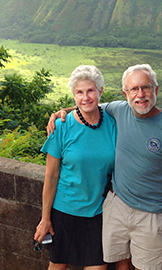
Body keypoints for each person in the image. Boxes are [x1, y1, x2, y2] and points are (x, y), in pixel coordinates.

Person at [48, 64, 162, 270]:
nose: (140, 94)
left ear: (156, 90)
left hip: (151, 212)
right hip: (116, 205)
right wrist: (61, 112)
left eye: (146, 87)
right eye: (134, 89)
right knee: (121, 262)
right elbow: (89, 105)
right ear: (125, 93)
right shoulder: (119, 109)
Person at [35, 65, 117, 270]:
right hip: (65, 210)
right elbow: (51, 176)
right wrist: (45, 218)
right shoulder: (61, 126)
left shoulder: (114, 123)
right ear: (73, 95)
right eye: (79, 92)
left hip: (99, 212)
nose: (85, 97)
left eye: (90, 90)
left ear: (100, 91)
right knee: (57, 266)